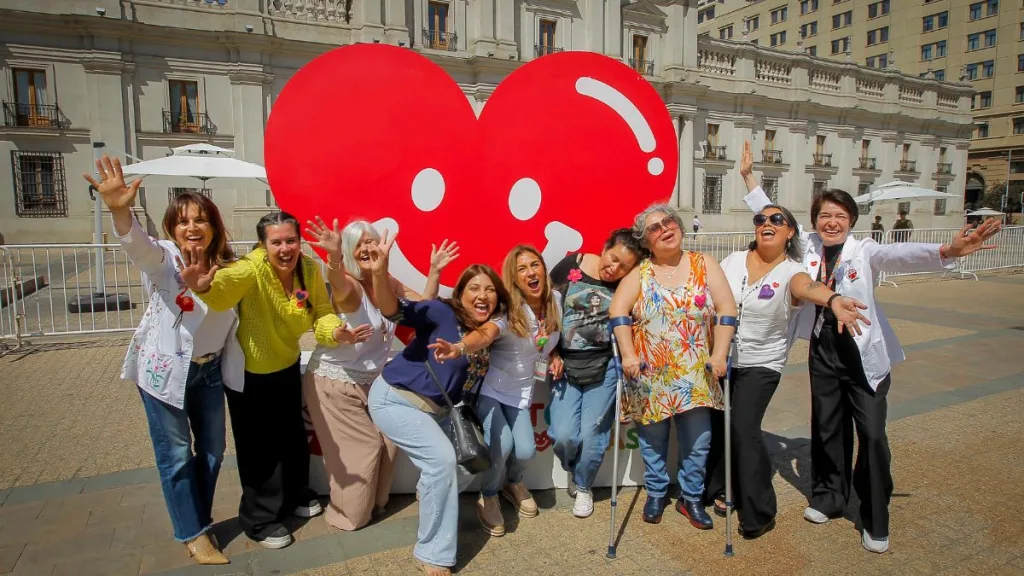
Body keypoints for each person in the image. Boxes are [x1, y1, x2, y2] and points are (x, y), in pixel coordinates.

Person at [739, 140, 1002, 553]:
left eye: (840, 216)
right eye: (824, 215)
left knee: (873, 435)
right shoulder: (807, 247)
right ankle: (828, 497)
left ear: (851, 222)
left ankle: (874, 514)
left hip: (864, 357)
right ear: (814, 222)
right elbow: (772, 211)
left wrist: (948, 251)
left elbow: (903, 254)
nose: (831, 222)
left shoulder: (866, 251)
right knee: (826, 428)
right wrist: (748, 177)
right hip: (824, 351)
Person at [83, 157, 238, 565]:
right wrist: (119, 208)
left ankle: (197, 517)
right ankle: (193, 533)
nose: (192, 227)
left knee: (212, 450)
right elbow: (138, 245)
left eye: (201, 220)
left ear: (214, 227)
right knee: (174, 453)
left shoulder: (228, 265)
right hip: (165, 371)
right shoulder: (165, 259)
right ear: (171, 228)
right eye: (184, 220)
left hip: (208, 371)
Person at [180, 211, 355, 550]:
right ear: (263, 245)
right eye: (276, 242)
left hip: (287, 365)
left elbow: (320, 311)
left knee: (291, 438)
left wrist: (335, 331)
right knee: (259, 449)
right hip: (250, 375)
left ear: (299, 242)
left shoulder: (307, 269)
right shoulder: (250, 269)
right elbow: (222, 291)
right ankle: (260, 520)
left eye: (291, 240)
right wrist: (203, 287)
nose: (285, 248)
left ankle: (294, 497)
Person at [703, 200, 870, 540]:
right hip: (722, 358)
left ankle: (760, 510)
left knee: (744, 426)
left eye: (777, 219)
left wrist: (834, 299)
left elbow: (808, 287)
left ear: (790, 231)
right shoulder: (733, 260)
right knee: (719, 422)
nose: (767, 222)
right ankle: (721, 487)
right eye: (761, 218)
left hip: (761, 363)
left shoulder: (791, 270)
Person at [366, 230, 511, 576]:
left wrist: (460, 349)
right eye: (474, 288)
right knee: (443, 460)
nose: (483, 295)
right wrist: (379, 272)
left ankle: (430, 490)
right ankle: (433, 554)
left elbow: (482, 337)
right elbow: (391, 309)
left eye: (490, 290)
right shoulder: (439, 311)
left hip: (441, 410)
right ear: (459, 295)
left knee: (472, 459)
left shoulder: (494, 325)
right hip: (395, 399)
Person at [301, 218, 458, 531]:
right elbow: (339, 283)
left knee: (389, 440)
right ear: (348, 252)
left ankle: (376, 503)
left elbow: (421, 308)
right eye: (358, 244)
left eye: (371, 241)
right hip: (335, 381)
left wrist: (435, 271)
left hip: (374, 383)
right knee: (367, 449)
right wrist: (332, 257)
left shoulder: (387, 281)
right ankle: (346, 514)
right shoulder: (350, 283)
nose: (367, 248)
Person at [609, 205, 737, 529]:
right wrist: (627, 354)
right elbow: (618, 312)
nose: (665, 228)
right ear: (646, 241)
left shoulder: (704, 264)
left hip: (696, 371)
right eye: (655, 228)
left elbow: (726, 308)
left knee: (700, 440)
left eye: (669, 222)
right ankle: (656, 492)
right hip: (649, 372)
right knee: (653, 440)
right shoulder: (640, 273)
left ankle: (691, 497)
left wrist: (719, 354)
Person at [547, 229, 647, 519]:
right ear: (604, 248)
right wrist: (551, 353)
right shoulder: (570, 265)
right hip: (565, 365)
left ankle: (583, 486)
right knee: (564, 435)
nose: (613, 268)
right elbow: (546, 309)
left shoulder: (626, 284)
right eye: (613, 258)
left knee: (592, 434)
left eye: (623, 267)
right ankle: (572, 468)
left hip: (604, 367)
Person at [470, 245, 562, 536]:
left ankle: (512, 482)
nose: (530, 273)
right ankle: (489, 494)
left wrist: (555, 355)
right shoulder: (509, 311)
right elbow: (487, 332)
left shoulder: (556, 301)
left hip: (522, 392)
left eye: (534, 265)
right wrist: (460, 346)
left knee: (524, 450)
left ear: (543, 270)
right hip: (491, 389)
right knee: (503, 444)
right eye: (522, 269)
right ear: (515, 278)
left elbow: (547, 343)